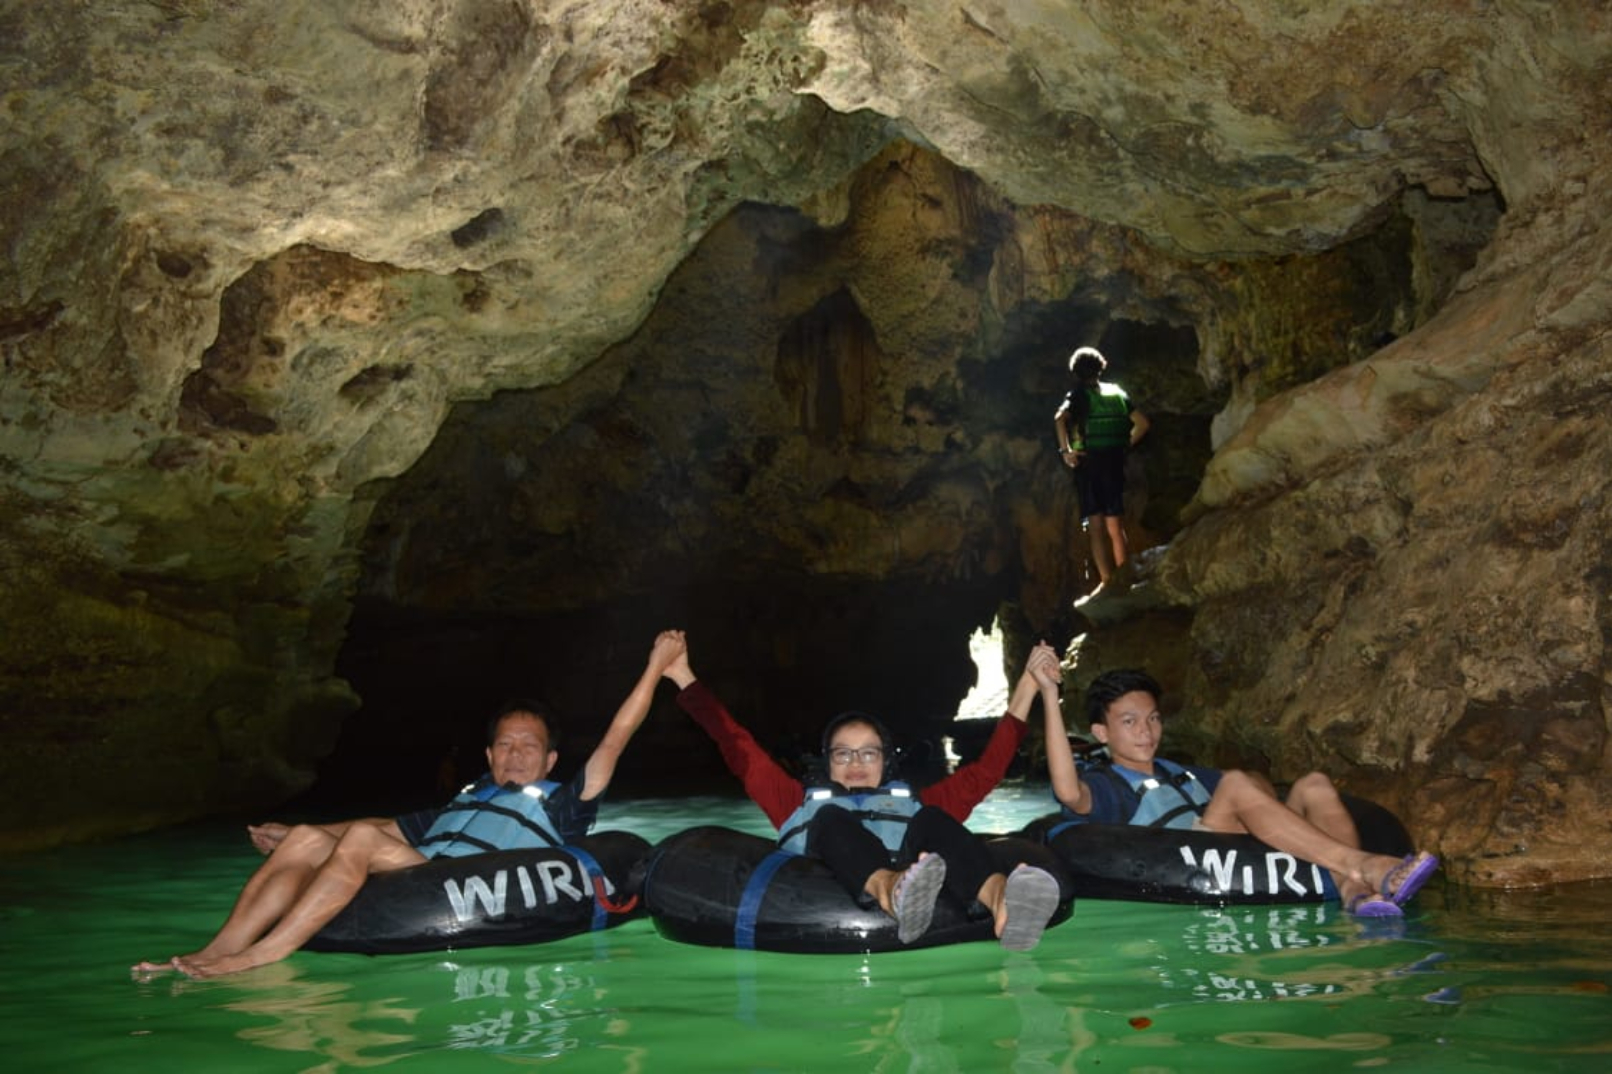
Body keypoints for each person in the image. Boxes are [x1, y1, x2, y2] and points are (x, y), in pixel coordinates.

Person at [132, 629, 688, 979]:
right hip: (415, 868)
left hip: (452, 885)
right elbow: (385, 825)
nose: (515, 756)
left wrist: (654, 667)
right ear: (489, 755)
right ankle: (215, 949)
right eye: (505, 745)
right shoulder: (469, 798)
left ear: (549, 761)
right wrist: (296, 831)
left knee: (360, 840)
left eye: (529, 748)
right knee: (309, 838)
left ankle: (265, 953)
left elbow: (617, 735)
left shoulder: (564, 806)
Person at [661, 639, 1066, 950]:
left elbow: (987, 771)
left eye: (868, 753)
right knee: (831, 818)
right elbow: (736, 744)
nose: (856, 762)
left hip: (923, 867)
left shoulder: (914, 804)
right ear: (828, 763)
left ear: (885, 762)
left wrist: (1029, 685)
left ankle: (1002, 903)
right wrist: (683, 675)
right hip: (827, 882)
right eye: (843, 753)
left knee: (933, 818)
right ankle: (893, 891)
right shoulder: (792, 801)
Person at [1043, 668, 1439, 916]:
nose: (1146, 732)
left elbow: (1255, 789)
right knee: (1234, 782)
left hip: (1230, 838)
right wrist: (1049, 695)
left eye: (1153, 719)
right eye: (1129, 722)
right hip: (1189, 854)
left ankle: (1351, 888)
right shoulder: (1108, 785)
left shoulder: (1179, 772)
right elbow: (1067, 791)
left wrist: (1256, 794)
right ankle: (1366, 866)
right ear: (1102, 733)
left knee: (1313, 784)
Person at [1053, 346, 1149, 591]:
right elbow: (1143, 423)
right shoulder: (1117, 392)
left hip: (1089, 466)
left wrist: (1066, 452)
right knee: (1116, 526)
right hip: (1113, 463)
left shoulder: (1077, 395)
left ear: (1075, 371)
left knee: (1095, 527)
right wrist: (1123, 444)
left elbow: (1059, 418)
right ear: (1101, 367)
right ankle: (1125, 577)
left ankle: (1107, 582)